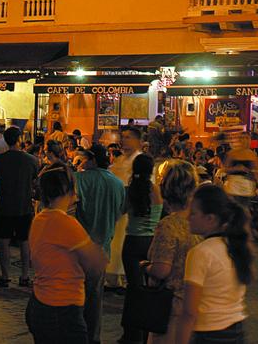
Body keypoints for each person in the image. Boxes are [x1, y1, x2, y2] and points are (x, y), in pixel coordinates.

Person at [26, 165, 107, 344]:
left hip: (40, 303)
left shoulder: (40, 218)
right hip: (62, 309)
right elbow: (97, 263)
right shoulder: (66, 223)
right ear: (67, 190)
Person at [178, 184, 253, 343]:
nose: (187, 217)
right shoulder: (234, 246)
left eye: (193, 213)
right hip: (236, 331)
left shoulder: (200, 253)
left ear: (210, 219)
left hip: (209, 334)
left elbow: (189, 312)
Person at [145, 161, 201, 344]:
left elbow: (162, 269)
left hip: (172, 307)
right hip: (199, 303)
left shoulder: (168, 225)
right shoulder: (202, 223)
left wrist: (145, 267)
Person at [75, 144, 125, 344]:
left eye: (84, 159)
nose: (82, 163)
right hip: (103, 247)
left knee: (76, 296)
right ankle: (93, 337)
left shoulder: (80, 179)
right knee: (95, 297)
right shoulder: (118, 184)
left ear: (92, 159)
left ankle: (76, 335)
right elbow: (120, 212)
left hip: (79, 247)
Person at [0, 125, 39, 288]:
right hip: (24, 206)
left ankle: (5, 276)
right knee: (25, 242)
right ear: (20, 140)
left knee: (4, 242)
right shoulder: (32, 160)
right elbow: (34, 179)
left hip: (5, 206)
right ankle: (25, 275)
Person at [121, 152, 163, 343]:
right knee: (150, 289)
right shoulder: (156, 191)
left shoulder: (129, 190)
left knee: (134, 288)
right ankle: (147, 331)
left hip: (132, 242)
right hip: (151, 243)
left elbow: (121, 210)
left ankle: (131, 332)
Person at [107, 127, 143, 288]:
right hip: (116, 208)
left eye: (128, 137)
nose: (124, 140)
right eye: (123, 137)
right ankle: (113, 278)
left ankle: (124, 278)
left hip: (130, 209)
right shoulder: (119, 160)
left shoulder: (140, 161)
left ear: (137, 141)